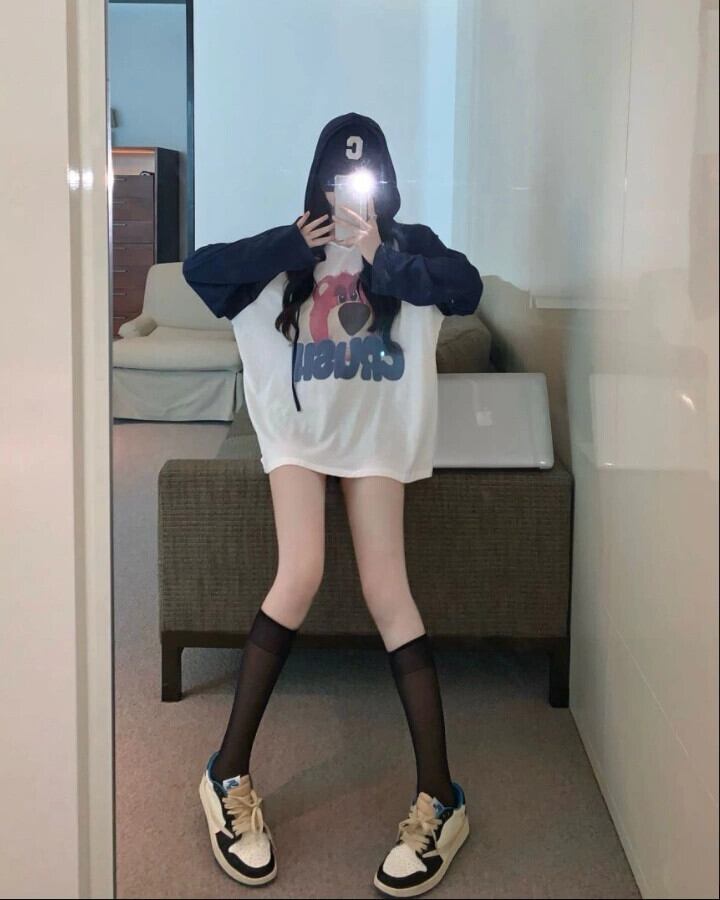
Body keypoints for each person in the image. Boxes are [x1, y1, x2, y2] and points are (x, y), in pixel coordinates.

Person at [182, 112, 483, 897]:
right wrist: (290, 247)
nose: (351, 190)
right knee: (301, 572)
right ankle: (226, 772)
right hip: (299, 434)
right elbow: (200, 271)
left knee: (390, 593)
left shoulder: (406, 247)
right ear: (318, 183)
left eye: (364, 176)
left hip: (375, 434)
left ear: (385, 182)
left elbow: (467, 287)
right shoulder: (291, 252)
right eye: (338, 178)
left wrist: (385, 255)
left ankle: (441, 797)